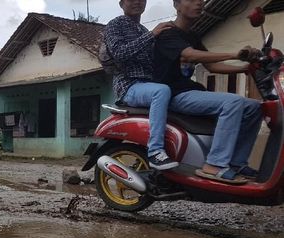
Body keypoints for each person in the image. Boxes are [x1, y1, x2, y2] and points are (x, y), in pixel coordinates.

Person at [154, 0, 263, 184]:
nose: (200, 3)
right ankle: (214, 165)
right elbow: (189, 55)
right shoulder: (168, 33)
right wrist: (234, 54)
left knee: (254, 107)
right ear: (177, 5)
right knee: (233, 102)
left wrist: (246, 68)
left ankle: (236, 163)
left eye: (201, 0)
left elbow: (212, 66)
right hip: (174, 94)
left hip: (190, 91)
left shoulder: (192, 36)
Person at [105, 0, 178, 170]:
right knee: (161, 91)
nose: (137, 2)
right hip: (129, 85)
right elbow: (119, 53)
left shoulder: (143, 30)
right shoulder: (115, 24)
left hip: (149, 85)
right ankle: (155, 152)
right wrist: (152, 35)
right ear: (121, 3)